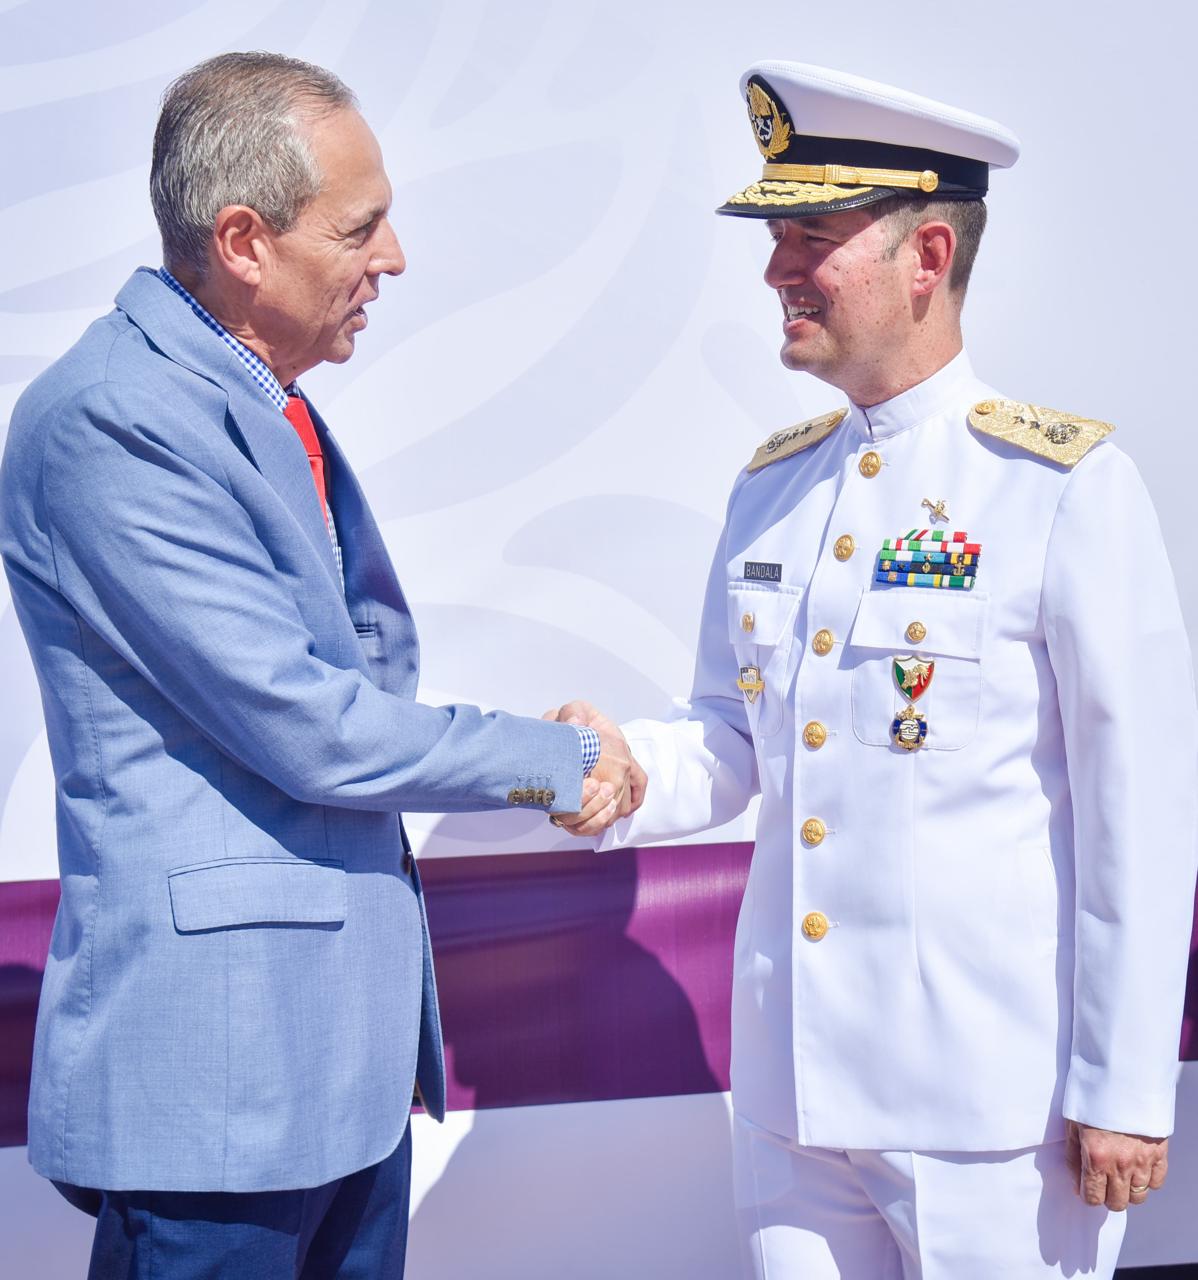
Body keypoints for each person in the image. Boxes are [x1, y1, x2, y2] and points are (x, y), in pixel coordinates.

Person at [549, 60, 1198, 1278]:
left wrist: (1122, 1086)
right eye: (774, 237)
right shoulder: (772, 485)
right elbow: (731, 733)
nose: (775, 269)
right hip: (793, 1092)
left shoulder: (1059, 489)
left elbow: (1140, 811)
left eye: (812, 236)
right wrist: (624, 765)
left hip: (989, 1111)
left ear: (927, 255)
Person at [0, 51, 642, 1279]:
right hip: (220, 1094)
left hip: (333, 1071)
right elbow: (310, 723)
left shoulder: (249, 394)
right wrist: (558, 758)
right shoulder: (115, 416)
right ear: (244, 241)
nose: (391, 257)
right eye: (359, 227)